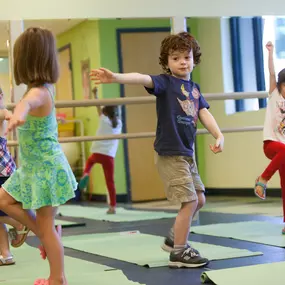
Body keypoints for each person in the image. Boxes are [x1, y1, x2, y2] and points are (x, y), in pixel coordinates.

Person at [90, 31, 224, 268]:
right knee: (189, 202)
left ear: (194, 59)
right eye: (175, 58)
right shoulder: (166, 83)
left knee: (200, 199)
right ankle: (179, 252)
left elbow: (203, 112)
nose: (182, 62)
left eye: (186, 57)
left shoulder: (194, 88)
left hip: (186, 153)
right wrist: (116, 77)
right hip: (170, 153)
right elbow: (142, 78)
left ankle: (174, 238)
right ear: (167, 62)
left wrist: (219, 134)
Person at [0, 27, 77, 285]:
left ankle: (58, 278)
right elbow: (24, 106)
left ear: (26, 61)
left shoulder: (38, 93)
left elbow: (27, 105)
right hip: (33, 167)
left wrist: (19, 113)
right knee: (3, 200)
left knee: (46, 225)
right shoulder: (38, 89)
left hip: (46, 169)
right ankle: (43, 234)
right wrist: (14, 115)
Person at [254, 41, 285, 234]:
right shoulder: (274, 95)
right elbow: (271, 72)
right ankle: (263, 179)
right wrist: (271, 53)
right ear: (280, 86)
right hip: (271, 145)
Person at [79, 86, 122, 214]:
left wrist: (95, 94)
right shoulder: (119, 123)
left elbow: (97, 105)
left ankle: (86, 173)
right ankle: (113, 206)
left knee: (89, 162)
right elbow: (115, 111)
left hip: (97, 152)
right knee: (110, 181)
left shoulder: (103, 119)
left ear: (105, 113)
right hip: (109, 156)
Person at [0, 87, 29, 266]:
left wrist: (12, 118)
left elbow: (6, 113)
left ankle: (18, 222)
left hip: (2, 171)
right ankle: (5, 253)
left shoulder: (1, 111)